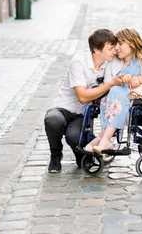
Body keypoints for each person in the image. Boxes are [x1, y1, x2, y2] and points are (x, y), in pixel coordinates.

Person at [44, 28, 124, 173]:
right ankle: (55, 155)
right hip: (63, 108)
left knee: (75, 137)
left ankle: (79, 153)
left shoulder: (109, 62)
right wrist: (110, 83)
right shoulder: (79, 62)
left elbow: (136, 55)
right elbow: (82, 97)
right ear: (96, 49)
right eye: (111, 48)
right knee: (53, 120)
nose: (115, 51)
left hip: (82, 114)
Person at [85, 28, 142, 154]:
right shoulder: (114, 61)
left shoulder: (141, 60)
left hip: (131, 97)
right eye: (116, 44)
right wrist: (120, 80)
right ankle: (103, 138)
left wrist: (136, 78)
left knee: (118, 93)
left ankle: (104, 139)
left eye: (120, 44)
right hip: (112, 96)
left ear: (131, 43)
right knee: (113, 93)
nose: (117, 48)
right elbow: (108, 81)